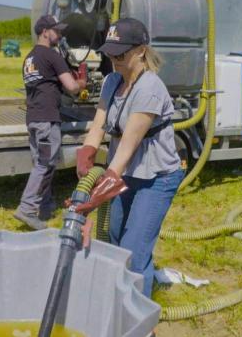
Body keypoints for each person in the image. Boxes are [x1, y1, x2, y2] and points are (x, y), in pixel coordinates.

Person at [74, 18, 185, 298]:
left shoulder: (149, 88)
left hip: (156, 178)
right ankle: (116, 298)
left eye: (120, 54)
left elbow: (127, 148)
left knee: (134, 250)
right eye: (109, 53)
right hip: (124, 174)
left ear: (140, 51)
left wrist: (92, 199)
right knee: (113, 239)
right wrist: (86, 153)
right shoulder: (112, 81)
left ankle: (139, 321)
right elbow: (99, 125)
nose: (113, 59)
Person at [13, 15, 86, 230]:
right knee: (45, 164)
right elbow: (72, 87)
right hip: (47, 118)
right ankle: (27, 209)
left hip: (33, 118)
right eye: (57, 31)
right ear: (45, 31)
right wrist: (82, 82)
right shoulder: (51, 55)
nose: (60, 34)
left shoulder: (29, 58)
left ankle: (45, 207)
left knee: (42, 164)